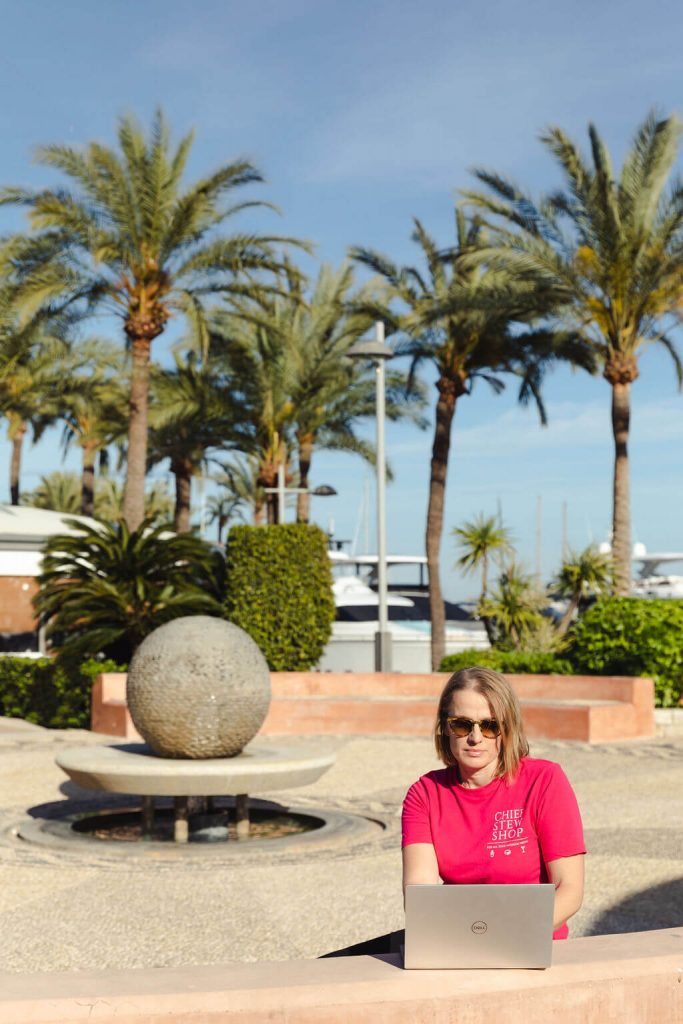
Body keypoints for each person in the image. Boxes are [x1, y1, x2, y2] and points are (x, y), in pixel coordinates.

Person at [402, 666, 585, 939]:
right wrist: (469, 942)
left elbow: (569, 890)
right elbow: (421, 894)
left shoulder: (544, 781)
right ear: (445, 728)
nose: (475, 738)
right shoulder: (424, 794)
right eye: (462, 724)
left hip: (532, 941)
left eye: (490, 726)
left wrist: (505, 936)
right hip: (461, 943)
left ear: (507, 728)